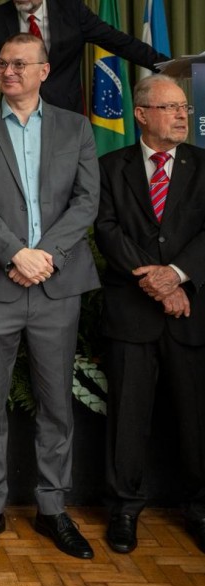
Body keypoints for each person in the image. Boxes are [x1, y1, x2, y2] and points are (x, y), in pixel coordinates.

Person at [0, 33, 101, 559]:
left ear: (44, 69)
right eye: (2, 63)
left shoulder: (75, 127)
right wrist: (16, 253)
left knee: (56, 405)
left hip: (58, 286)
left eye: (20, 63)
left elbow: (87, 202)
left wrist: (45, 256)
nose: (9, 70)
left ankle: (52, 509)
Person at [94, 75, 205, 555]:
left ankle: (200, 506)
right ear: (141, 114)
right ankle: (124, 508)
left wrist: (178, 275)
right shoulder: (107, 166)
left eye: (184, 107)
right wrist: (157, 283)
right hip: (131, 313)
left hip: (191, 312)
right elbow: (105, 229)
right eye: (170, 107)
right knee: (128, 416)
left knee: (197, 416)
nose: (182, 115)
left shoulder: (204, 166)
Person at [0, 0, 168, 113]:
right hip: (15, 112)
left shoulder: (72, 10)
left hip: (64, 112)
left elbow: (118, 42)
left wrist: (167, 65)